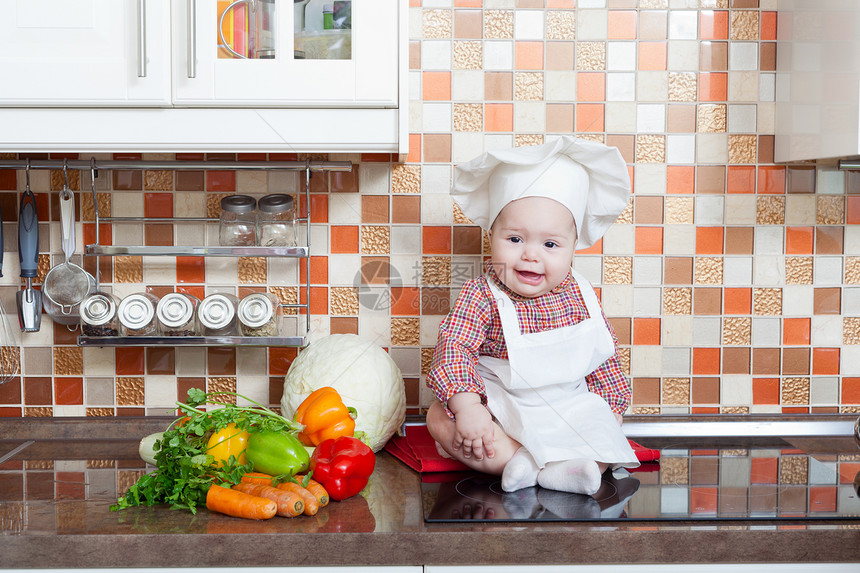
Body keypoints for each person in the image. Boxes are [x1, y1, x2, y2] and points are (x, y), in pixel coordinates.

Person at [425, 135, 639, 496]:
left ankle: (569, 467)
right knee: (437, 417)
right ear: (491, 235)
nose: (530, 255)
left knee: (605, 433)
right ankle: (518, 460)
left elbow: (603, 357)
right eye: (515, 239)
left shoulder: (582, 295)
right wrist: (468, 408)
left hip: (568, 406)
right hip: (500, 406)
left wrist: (610, 412)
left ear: (573, 248)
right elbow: (454, 349)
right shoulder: (481, 294)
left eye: (550, 244)